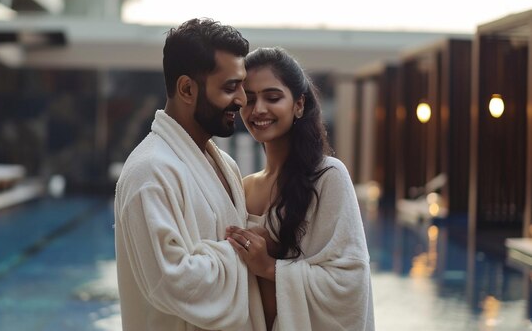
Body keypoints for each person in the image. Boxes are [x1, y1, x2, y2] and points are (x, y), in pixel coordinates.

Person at [114, 18, 266, 331]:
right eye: (229, 87)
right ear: (186, 88)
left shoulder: (225, 163)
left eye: (241, 86)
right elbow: (172, 282)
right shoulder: (150, 172)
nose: (241, 100)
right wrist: (247, 254)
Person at [226, 47, 374, 331]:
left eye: (273, 97)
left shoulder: (328, 176)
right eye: (250, 99)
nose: (258, 110)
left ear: (299, 104)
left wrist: (268, 265)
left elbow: (350, 282)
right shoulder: (243, 187)